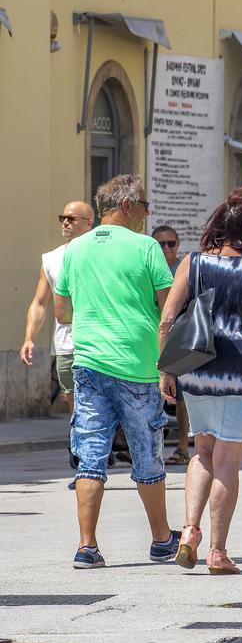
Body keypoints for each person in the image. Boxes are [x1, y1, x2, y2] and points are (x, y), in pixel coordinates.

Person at [158, 189, 242, 574]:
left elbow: (167, 320)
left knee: (202, 451)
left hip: (199, 367)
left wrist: (165, 369)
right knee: (228, 461)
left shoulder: (192, 263)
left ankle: (188, 532)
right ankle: (217, 552)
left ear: (215, 229)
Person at [52, 175, 179, 569]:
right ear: (127, 205)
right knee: (146, 454)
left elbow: (62, 312)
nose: (146, 213)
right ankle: (161, 540)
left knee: (90, 454)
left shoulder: (74, 249)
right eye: (144, 205)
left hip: (88, 364)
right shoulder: (146, 248)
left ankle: (86, 546)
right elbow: (167, 309)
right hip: (137, 367)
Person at [21, 201, 94, 417]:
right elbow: (40, 302)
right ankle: (78, 448)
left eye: (71, 219)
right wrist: (29, 338)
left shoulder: (100, 254)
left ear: (89, 223)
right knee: (73, 401)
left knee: (98, 401)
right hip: (66, 343)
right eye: (62, 218)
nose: (65, 223)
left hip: (99, 340)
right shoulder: (51, 258)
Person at [152, 225, 192, 466]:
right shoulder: (148, 267)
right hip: (150, 338)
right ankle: (151, 446)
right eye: (160, 244)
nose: (166, 248)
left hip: (180, 338)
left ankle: (183, 446)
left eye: (171, 243)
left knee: (182, 396)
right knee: (152, 393)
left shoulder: (184, 269)